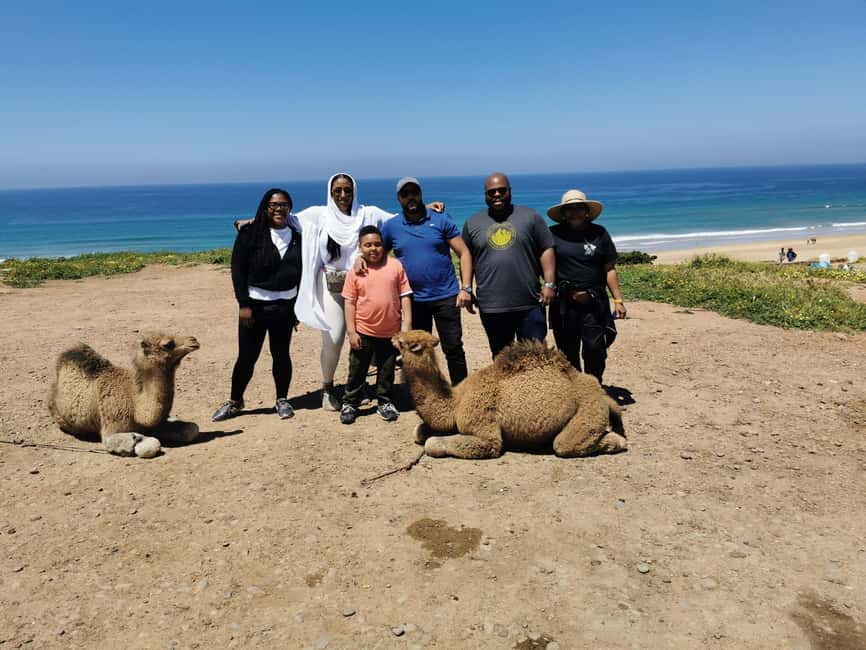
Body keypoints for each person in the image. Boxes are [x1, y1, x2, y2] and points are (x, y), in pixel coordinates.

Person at [239, 173, 441, 411]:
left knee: (367, 340)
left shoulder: (368, 214)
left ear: (354, 191)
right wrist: (251, 222)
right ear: (330, 192)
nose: (343, 195)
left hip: (364, 287)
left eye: (347, 190)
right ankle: (327, 387)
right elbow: (284, 218)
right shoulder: (318, 215)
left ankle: (360, 385)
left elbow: (399, 219)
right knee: (334, 340)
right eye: (337, 190)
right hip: (331, 287)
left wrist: (425, 208)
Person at [212, 188, 302, 422]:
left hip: (284, 307)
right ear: (265, 207)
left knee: (281, 355)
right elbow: (238, 271)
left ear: (290, 208)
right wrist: (244, 304)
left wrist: (297, 308)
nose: (279, 209)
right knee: (247, 356)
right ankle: (235, 401)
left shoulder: (297, 237)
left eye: (284, 205)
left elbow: (302, 273)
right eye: (274, 205)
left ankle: (282, 399)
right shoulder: (250, 234)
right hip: (255, 307)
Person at [378, 177, 473, 385]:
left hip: (446, 296)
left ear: (420, 194)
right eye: (405, 194)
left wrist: (466, 288)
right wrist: (361, 260)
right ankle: (427, 395)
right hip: (413, 300)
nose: (410, 197)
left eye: (414, 192)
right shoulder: (391, 226)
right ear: (399, 199)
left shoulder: (440, 219)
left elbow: (464, 252)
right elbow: (377, 255)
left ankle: (461, 392)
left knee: (453, 348)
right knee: (418, 351)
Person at [461, 172, 556, 358]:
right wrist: (467, 288)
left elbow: (546, 248)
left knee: (535, 358)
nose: (497, 194)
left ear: (510, 191)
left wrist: (549, 283)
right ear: (485, 195)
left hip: (529, 302)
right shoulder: (472, 223)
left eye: (501, 190)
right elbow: (466, 257)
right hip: (492, 306)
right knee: (502, 360)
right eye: (491, 192)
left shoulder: (531, 217)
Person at [546, 189, 626, 384]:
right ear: (563, 213)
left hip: (594, 302)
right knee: (567, 353)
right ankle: (576, 390)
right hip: (564, 304)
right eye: (569, 209)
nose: (574, 212)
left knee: (595, 349)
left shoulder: (599, 233)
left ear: (587, 211)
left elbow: (609, 268)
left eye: (579, 208)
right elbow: (541, 262)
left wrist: (618, 300)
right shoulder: (552, 234)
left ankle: (594, 385)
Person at [340, 226, 412, 424]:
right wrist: (351, 331)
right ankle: (350, 402)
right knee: (357, 369)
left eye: (377, 244)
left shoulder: (395, 266)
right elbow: (349, 302)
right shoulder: (356, 271)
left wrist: (406, 325)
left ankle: (384, 402)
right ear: (360, 247)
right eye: (368, 245)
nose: (373, 249)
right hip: (363, 331)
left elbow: (405, 296)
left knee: (387, 370)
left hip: (390, 332)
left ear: (384, 246)